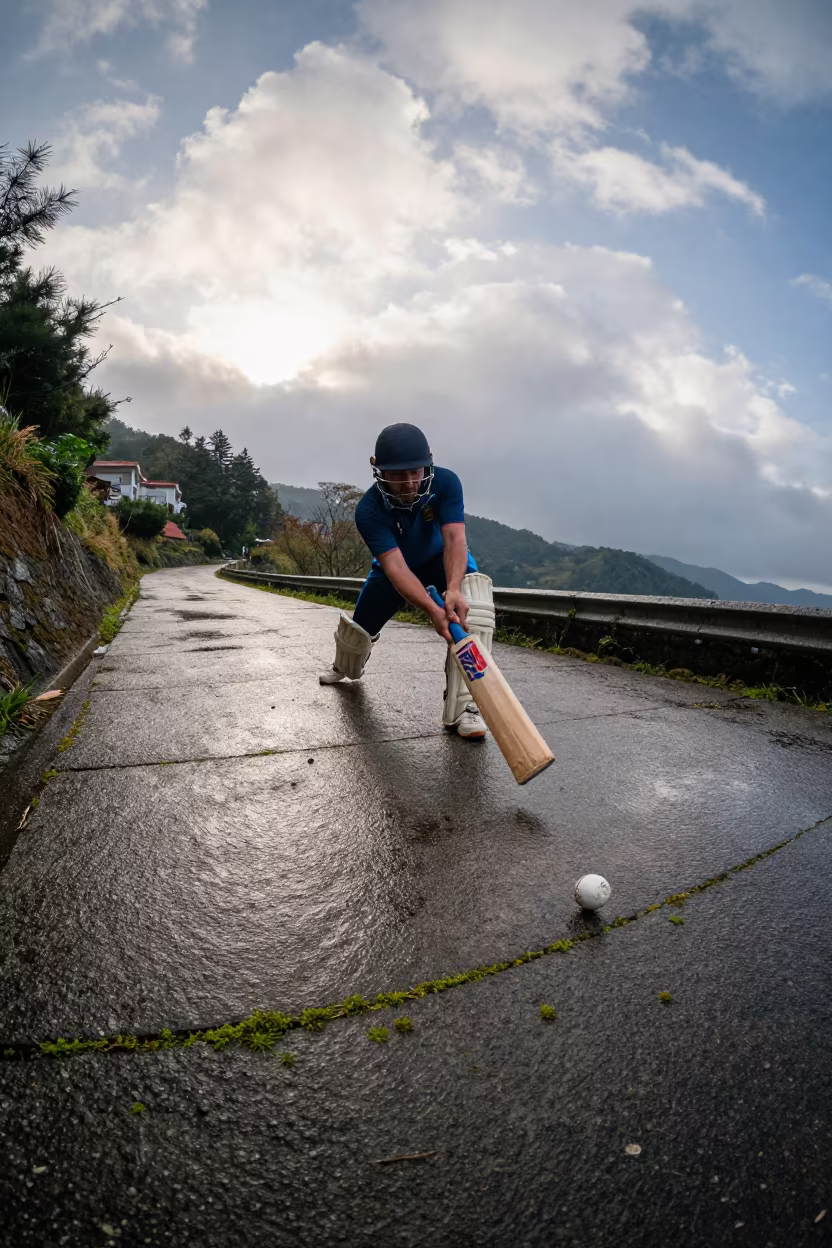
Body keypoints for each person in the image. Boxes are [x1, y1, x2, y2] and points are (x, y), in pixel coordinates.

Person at [319, 423, 495, 740]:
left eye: (415, 472)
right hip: (398, 567)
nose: (410, 483)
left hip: (444, 562)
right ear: (377, 469)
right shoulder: (368, 510)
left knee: (475, 613)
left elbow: (455, 538)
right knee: (357, 631)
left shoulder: (446, 482)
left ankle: (468, 706)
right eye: (398, 475)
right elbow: (397, 569)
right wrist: (431, 608)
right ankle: (342, 666)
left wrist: (453, 590)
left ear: (427, 462)